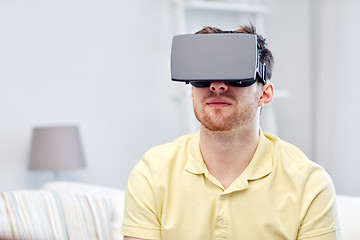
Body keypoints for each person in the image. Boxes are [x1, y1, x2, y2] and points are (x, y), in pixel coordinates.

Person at [121, 24, 340, 240]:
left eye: (236, 74)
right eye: (204, 75)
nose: (217, 86)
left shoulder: (310, 184)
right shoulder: (152, 173)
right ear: (191, 93)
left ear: (265, 94)